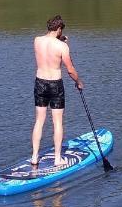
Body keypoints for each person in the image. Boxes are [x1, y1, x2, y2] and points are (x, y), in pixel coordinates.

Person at [31, 15, 83, 169]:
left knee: (39, 121)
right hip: (55, 85)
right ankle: (58, 159)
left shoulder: (37, 40)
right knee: (57, 122)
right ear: (59, 29)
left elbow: (49, 45)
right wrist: (78, 82)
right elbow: (70, 70)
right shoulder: (62, 47)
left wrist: (59, 39)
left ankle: (34, 156)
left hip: (39, 83)